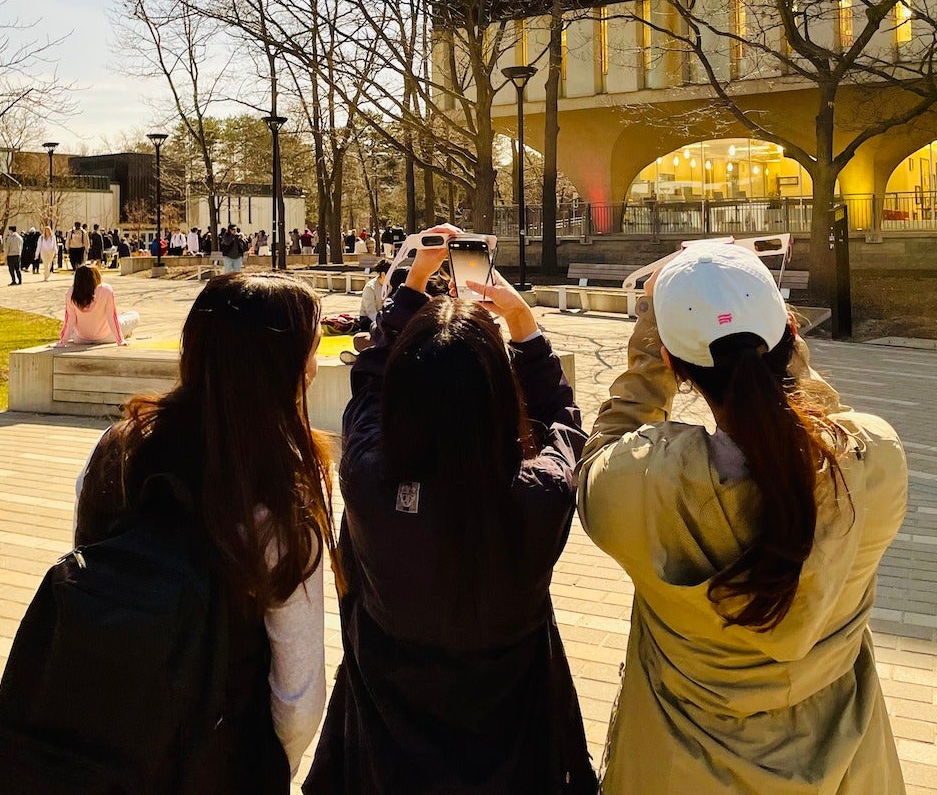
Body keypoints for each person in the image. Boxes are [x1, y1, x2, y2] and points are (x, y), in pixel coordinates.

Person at [577, 241, 908, 794]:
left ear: (671, 364)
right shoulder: (875, 461)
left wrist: (651, 329)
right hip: (848, 768)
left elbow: (605, 450)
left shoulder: (639, 487)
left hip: (679, 770)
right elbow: (827, 430)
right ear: (789, 338)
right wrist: (782, 347)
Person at [304, 227, 595, 795]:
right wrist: (525, 329)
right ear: (498, 392)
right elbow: (563, 418)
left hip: (387, 743)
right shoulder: (538, 494)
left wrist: (411, 287)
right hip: (514, 742)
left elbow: (366, 385)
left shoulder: (367, 478)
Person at [62, 272, 339, 789]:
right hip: (219, 759)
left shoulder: (116, 449)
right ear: (280, 366)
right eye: (312, 350)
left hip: (102, 740)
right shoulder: (276, 496)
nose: (317, 367)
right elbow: (297, 698)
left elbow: (89, 574)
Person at [58, 265, 141, 346]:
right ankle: (126, 331)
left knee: (72, 326)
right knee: (134, 315)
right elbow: (111, 317)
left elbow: (69, 320)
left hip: (81, 339)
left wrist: (62, 341)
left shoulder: (71, 293)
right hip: (107, 337)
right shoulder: (106, 290)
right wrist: (120, 340)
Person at [356, 260, 390, 330]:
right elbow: (371, 312)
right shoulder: (370, 287)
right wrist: (382, 324)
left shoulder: (392, 286)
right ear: (383, 274)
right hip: (369, 318)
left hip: (384, 317)